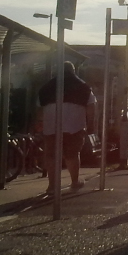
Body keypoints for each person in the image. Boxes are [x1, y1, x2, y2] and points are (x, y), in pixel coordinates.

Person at [37, 61, 97, 197]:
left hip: (51, 126)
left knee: (51, 155)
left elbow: (39, 108)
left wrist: (40, 123)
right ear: (73, 71)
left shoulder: (46, 87)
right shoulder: (83, 86)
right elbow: (91, 107)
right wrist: (91, 124)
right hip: (75, 126)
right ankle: (74, 182)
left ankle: (52, 185)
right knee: (72, 154)